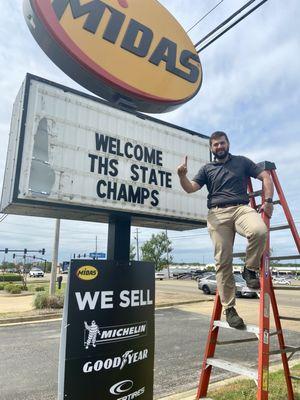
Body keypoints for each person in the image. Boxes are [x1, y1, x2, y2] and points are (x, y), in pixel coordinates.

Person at [177, 131, 274, 329]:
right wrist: (182, 176)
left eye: (222, 143)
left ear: (228, 143)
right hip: (217, 215)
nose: (219, 147)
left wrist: (269, 200)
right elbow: (190, 188)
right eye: (215, 145)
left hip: (240, 208)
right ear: (211, 148)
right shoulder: (207, 169)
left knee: (259, 230)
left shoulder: (242, 162)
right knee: (223, 261)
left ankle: (250, 268)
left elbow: (265, 176)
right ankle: (229, 308)